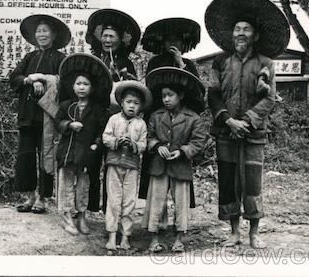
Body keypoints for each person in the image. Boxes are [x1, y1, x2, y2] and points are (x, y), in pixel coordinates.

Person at [204, 0, 290, 249]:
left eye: (246, 29)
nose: (240, 33)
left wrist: (247, 121)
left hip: (254, 133)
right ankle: (233, 233)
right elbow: (213, 94)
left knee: (252, 182)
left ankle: (253, 233)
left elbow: (269, 99)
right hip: (226, 131)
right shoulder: (220, 61)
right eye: (237, 29)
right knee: (229, 180)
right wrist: (229, 121)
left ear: (255, 35)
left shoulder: (266, 63)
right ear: (231, 34)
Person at [9, 14, 71, 214]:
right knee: (25, 155)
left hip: (48, 115)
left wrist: (45, 79)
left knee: (46, 154)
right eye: (39, 31)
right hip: (28, 114)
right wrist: (29, 80)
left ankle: (43, 198)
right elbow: (14, 78)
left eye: (46, 31)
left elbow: (66, 82)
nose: (42, 34)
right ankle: (29, 195)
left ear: (54, 35)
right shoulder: (29, 57)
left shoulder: (61, 59)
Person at [142, 67, 208, 253]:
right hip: (159, 165)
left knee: (181, 202)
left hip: (180, 166)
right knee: (156, 200)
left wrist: (183, 151)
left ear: (181, 95)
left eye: (170, 95)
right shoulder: (156, 115)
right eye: (163, 96)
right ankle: (154, 237)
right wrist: (156, 146)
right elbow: (148, 135)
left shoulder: (193, 118)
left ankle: (179, 238)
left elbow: (198, 141)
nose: (166, 99)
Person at [139, 17, 202, 204]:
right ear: (163, 43)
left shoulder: (188, 64)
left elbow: (197, 93)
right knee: (155, 163)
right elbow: (149, 89)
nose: (172, 44)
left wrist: (180, 63)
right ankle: (154, 209)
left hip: (181, 119)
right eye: (169, 40)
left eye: (177, 40)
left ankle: (180, 207)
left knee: (180, 162)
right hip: (157, 117)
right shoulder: (154, 63)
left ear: (183, 43)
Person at [85, 8, 141, 214]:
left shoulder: (126, 63)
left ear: (120, 39)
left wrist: (126, 78)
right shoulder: (93, 59)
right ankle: (91, 205)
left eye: (112, 36)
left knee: (113, 163)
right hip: (94, 115)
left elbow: (135, 91)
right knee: (92, 160)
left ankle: (111, 206)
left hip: (115, 118)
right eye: (104, 36)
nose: (107, 39)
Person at [55, 54, 112, 235]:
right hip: (68, 152)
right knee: (66, 184)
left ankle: (81, 215)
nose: (81, 87)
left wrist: (96, 145)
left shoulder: (97, 109)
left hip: (86, 153)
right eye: (78, 83)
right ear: (73, 86)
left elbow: (101, 130)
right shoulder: (66, 105)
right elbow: (58, 122)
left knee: (83, 186)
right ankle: (67, 217)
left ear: (92, 88)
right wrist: (69, 124)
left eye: (85, 84)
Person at [101, 81, 151, 250]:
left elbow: (144, 143)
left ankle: (125, 237)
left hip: (132, 166)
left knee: (129, 201)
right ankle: (112, 235)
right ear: (121, 102)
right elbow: (105, 137)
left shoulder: (141, 124)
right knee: (114, 200)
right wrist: (116, 141)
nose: (132, 106)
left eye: (136, 103)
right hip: (114, 164)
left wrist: (134, 144)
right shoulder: (113, 119)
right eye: (129, 102)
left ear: (141, 107)